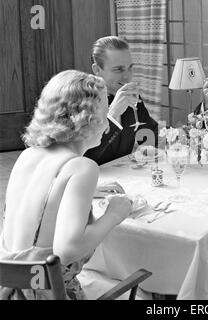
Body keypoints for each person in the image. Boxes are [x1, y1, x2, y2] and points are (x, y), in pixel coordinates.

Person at [0, 70, 133, 300]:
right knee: (142, 290)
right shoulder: (82, 167)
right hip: (50, 293)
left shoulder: (29, 155)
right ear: (86, 119)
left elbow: (43, 201)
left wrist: (88, 192)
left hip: (12, 289)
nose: (107, 126)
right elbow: (68, 249)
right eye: (103, 115)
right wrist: (114, 214)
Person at [84, 36, 158, 165]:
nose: (127, 76)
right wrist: (112, 115)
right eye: (118, 69)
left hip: (127, 178)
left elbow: (149, 134)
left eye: (130, 68)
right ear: (97, 70)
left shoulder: (130, 95)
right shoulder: (79, 102)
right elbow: (84, 157)